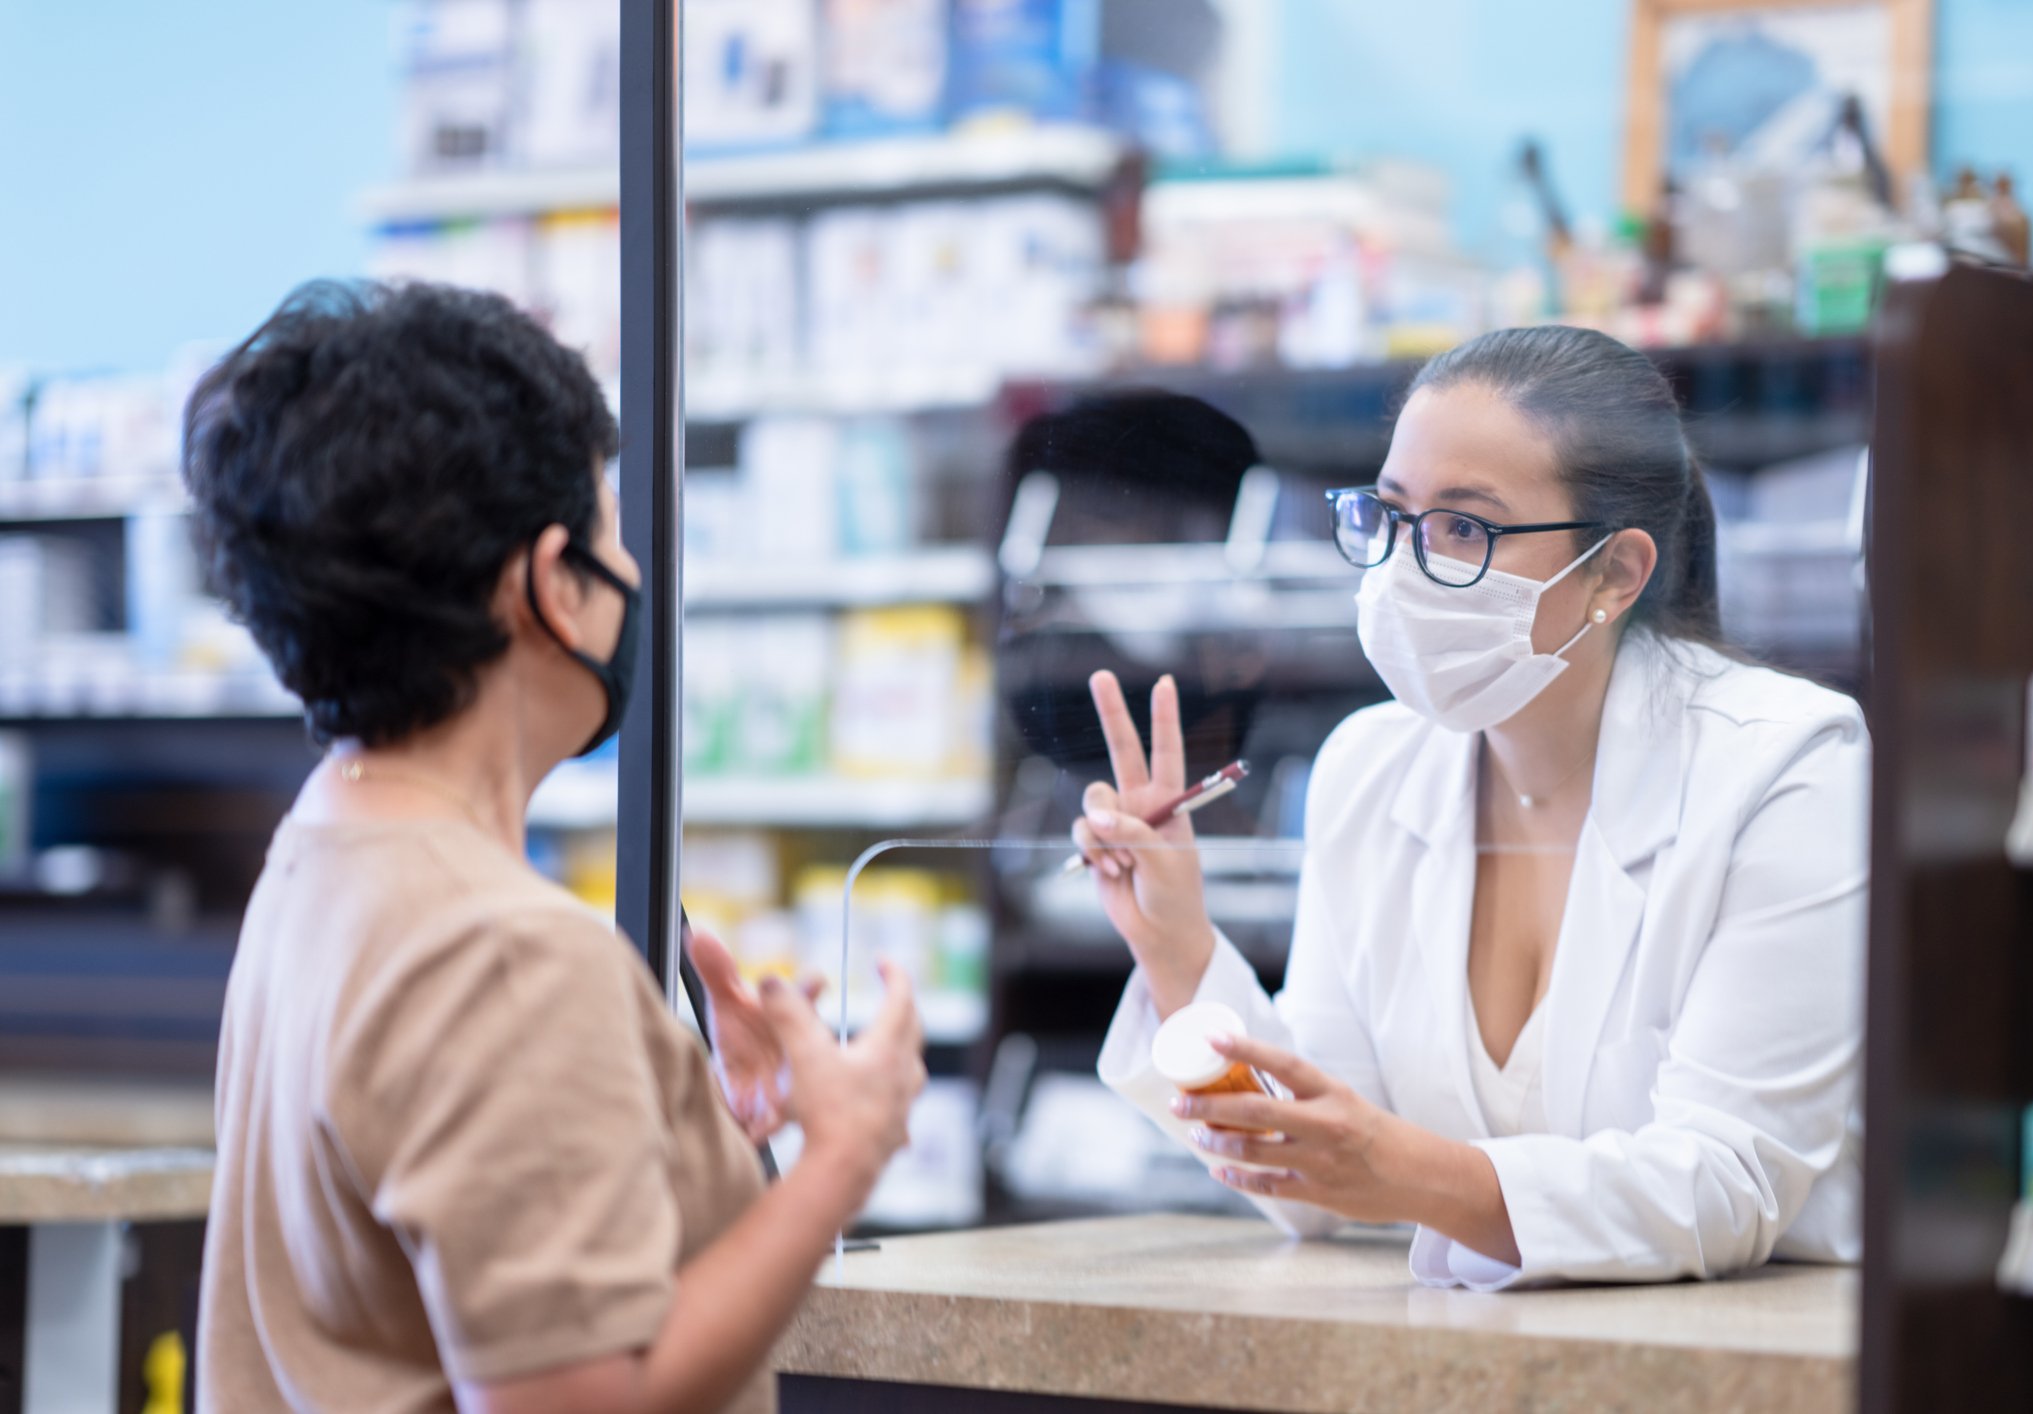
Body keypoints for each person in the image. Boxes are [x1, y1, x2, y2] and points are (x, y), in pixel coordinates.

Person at [188, 280, 924, 1413]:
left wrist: (671, 1132)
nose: (628, 577)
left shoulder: (321, 857)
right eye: (611, 534)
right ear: (548, 584)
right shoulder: (502, 953)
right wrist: (840, 1157)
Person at [1076, 325, 1868, 1290]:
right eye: (1391, 515)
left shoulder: (1785, 765)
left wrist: (1405, 1171)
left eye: (1465, 528)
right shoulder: (1370, 767)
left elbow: (1727, 1181)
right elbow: (1319, 1177)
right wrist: (1176, 949)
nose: (1403, 570)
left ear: (1615, 573)